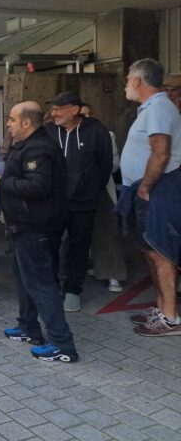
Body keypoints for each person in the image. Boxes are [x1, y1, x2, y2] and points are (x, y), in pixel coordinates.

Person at [0, 101, 78, 362]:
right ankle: (29, 327)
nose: (8, 123)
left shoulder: (40, 148)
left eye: (12, 119)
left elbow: (38, 186)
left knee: (42, 285)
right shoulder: (28, 146)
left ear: (26, 122)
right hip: (23, 225)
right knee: (24, 280)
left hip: (36, 227)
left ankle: (62, 345)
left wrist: (1, 182)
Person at [117, 58, 181, 337]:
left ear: (137, 80)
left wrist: (145, 186)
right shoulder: (151, 109)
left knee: (160, 252)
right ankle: (161, 307)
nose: (125, 85)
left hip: (157, 188)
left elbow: (161, 152)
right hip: (143, 188)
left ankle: (170, 318)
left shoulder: (159, 108)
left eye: (128, 78)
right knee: (148, 249)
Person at [45, 92, 113, 312]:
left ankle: (73, 289)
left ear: (74, 109)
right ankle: (51, 286)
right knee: (50, 244)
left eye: (58, 109)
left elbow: (105, 165)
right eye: (52, 109)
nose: (53, 113)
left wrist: (90, 187)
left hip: (83, 202)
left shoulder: (96, 131)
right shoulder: (48, 131)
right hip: (54, 202)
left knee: (79, 246)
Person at [79, 103, 126, 292]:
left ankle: (112, 274)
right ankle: (94, 268)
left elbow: (114, 164)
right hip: (73, 192)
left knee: (106, 231)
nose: (85, 119)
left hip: (101, 189)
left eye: (88, 115)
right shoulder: (65, 136)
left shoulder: (106, 134)